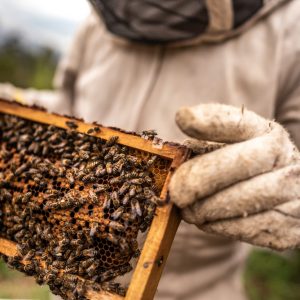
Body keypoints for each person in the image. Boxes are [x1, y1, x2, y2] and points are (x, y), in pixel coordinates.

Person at [0, 1, 300, 299]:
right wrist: (11, 104)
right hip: (69, 277)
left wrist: (293, 185)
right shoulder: (99, 22)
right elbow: (69, 116)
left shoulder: (291, 28)